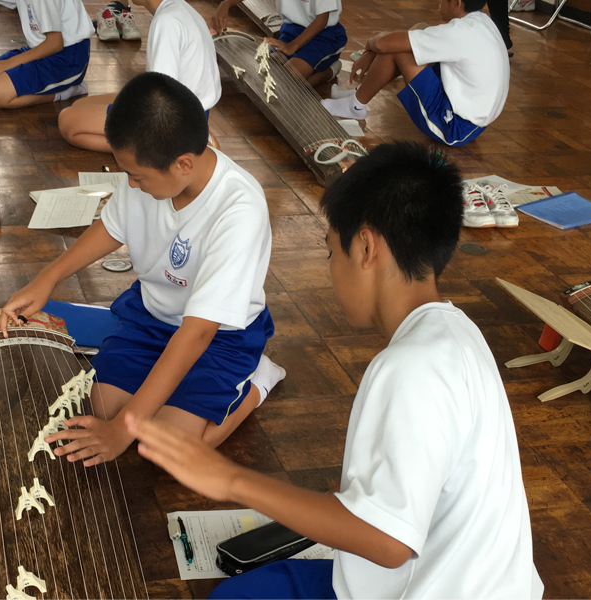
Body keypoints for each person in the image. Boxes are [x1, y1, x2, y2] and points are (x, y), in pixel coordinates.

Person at [125, 142, 544, 599]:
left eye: (331, 253)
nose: (331, 272)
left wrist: (230, 479)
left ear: (365, 247)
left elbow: (390, 543)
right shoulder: (456, 332)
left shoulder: (408, 368)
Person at [0, 73, 284, 466]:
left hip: (219, 336)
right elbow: (111, 227)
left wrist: (123, 430)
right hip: (153, 317)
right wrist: (47, 278)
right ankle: (168, 400)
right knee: (102, 407)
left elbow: (197, 333)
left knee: (166, 446)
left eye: (137, 176)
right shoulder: (151, 174)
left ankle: (258, 380)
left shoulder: (239, 209)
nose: (130, 185)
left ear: (183, 164)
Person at [322, 0, 509, 147]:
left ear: (457, 3)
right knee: (419, 30)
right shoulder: (482, 21)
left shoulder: (459, 33)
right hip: (474, 122)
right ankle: (358, 96)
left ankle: (355, 106)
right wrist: (372, 52)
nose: (438, 2)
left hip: (454, 128)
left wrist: (370, 50)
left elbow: (382, 43)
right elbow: (417, 32)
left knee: (400, 50)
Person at [58, 0, 221, 153]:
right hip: (191, 113)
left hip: (171, 123)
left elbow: (159, 100)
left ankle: (161, 152)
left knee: (67, 121)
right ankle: (187, 142)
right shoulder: (182, 9)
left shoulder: (166, 21)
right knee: (79, 105)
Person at [212, 0, 346, 86]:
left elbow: (322, 20)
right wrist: (226, 3)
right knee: (272, 72)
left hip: (325, 35)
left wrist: (292, 46)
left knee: (290, 79)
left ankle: (330, 71)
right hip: (293, 29)